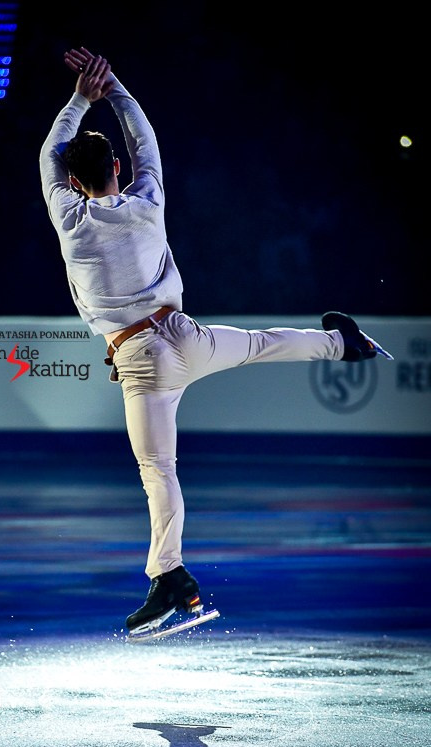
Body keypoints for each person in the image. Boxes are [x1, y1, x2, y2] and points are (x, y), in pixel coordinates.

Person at [39, 47, 393, 636]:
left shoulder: (68, 219)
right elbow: (144, 137)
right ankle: (345, 345)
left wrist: (79, 99)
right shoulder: (148, 203)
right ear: (119, 171)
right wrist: (114, 87)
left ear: (74, 183)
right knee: (258, 344)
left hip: (141, 359)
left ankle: (171, 578)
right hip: (184, 336)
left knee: (159, 469)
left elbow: (50, 153)